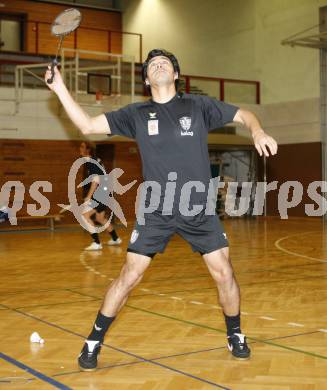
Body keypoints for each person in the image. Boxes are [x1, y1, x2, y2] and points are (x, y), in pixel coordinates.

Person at [45, 48, 278, 370]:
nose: (158, 65)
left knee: (224, 272)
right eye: (152, 64)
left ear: (176, 75)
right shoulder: (135, 114)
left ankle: (235, 333)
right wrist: (59, 89)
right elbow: (86, 125)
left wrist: (258, 130)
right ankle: (93, 341)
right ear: (145, 79)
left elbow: (244, 115)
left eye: (164, 62)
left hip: (197, 205)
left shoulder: (199, 106)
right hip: (157, 208)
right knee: (129, 275)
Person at [79, 141, 122, 250]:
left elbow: (96, 180)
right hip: (105, 192)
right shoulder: (95, 160)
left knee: (85, 215)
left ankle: (96, 243)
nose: (80, 148)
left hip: (101, 193)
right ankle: (115, 239)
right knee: (100, 217)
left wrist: (89, 196)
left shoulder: (92, 162)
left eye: (82, 146)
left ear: (88, 150)